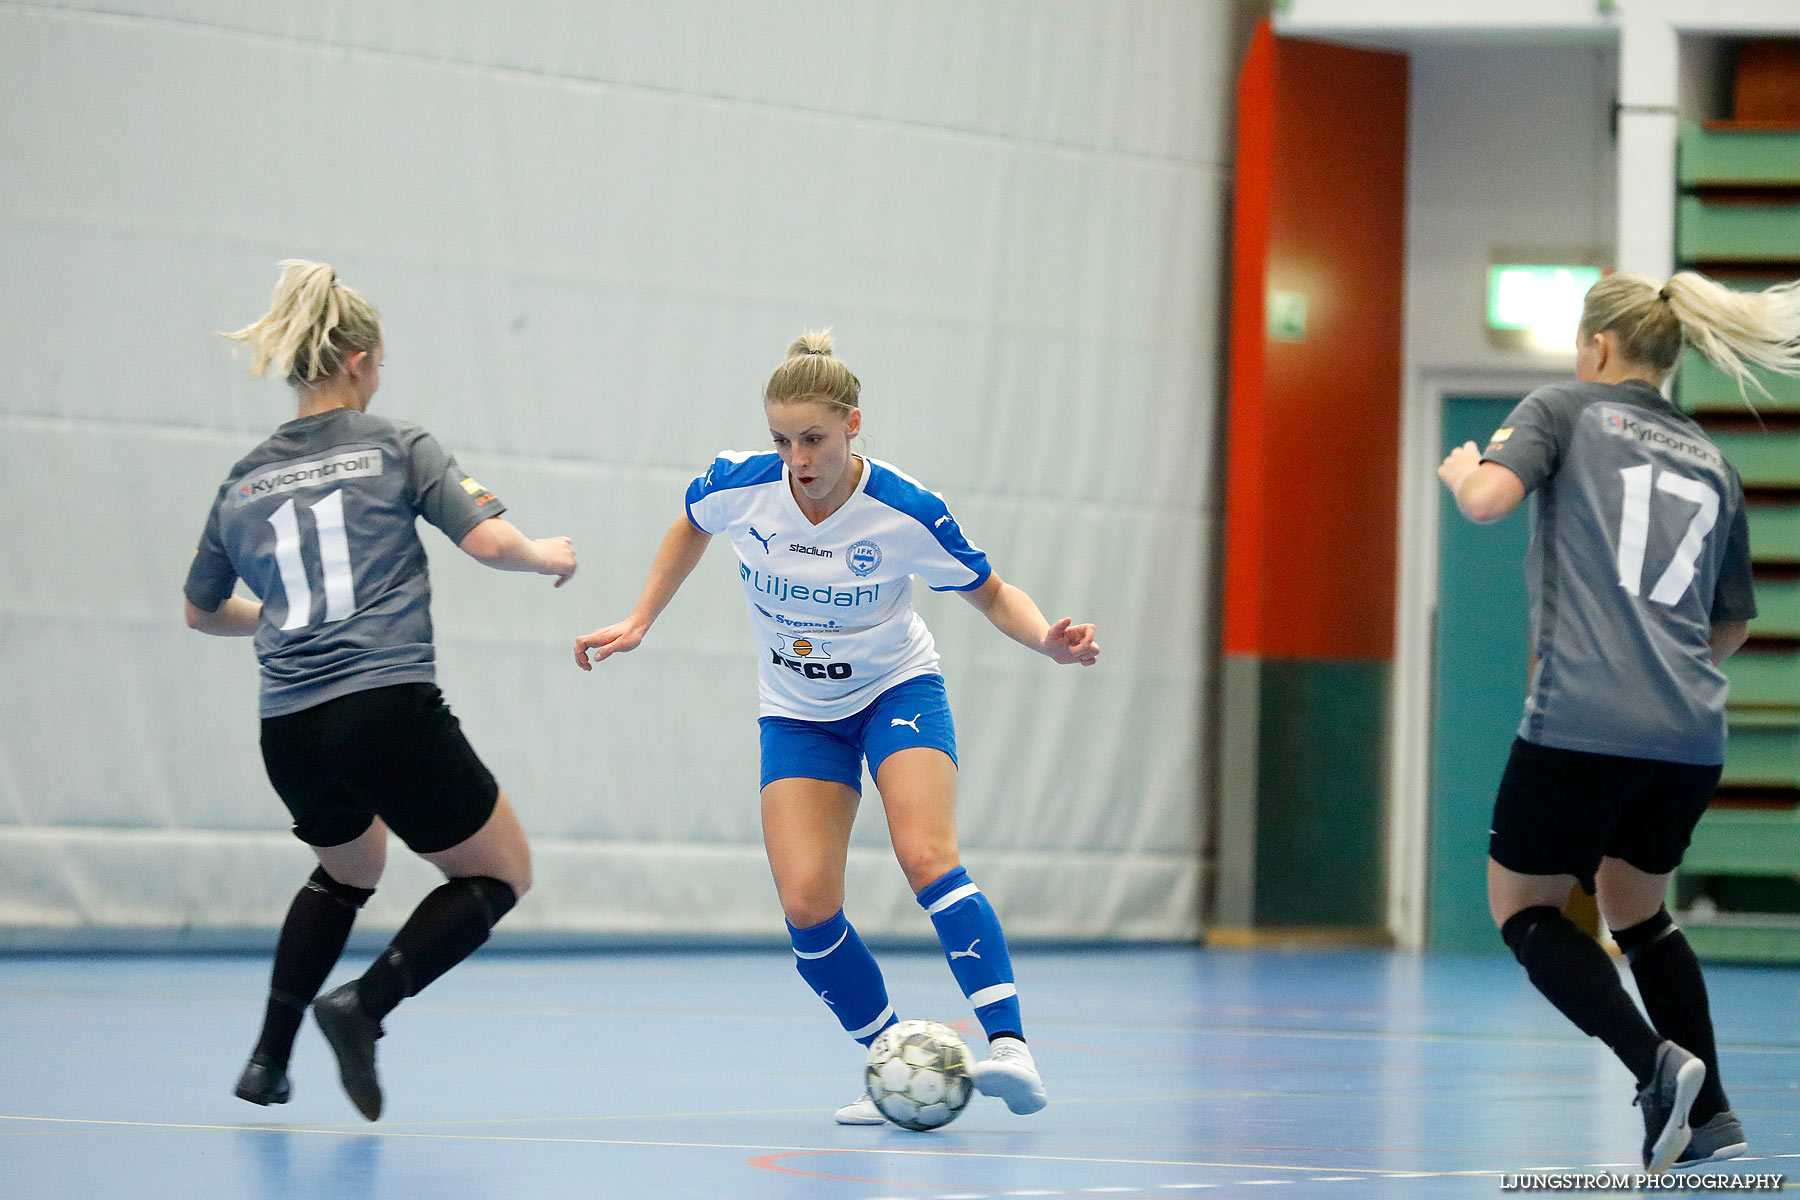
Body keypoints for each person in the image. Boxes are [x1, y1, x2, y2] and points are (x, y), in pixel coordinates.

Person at [573, 331, 1097, 1123]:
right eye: (781, 440)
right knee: (808, 904)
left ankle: (1011, 1049)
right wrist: (642, 617)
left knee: (926, 856)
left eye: (813, 438)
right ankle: (888, 1061)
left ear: (854, 425)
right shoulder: (743, 486)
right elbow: (691, 520)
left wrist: (1045, 641)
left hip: (896, 689)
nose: (797, 458)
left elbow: (990, 591)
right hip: (797, 711)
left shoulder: (904, 510)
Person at [185, 260, 577, 1121]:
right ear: (360, 359)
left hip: (288, 729)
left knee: (347, 867)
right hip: (383, 705)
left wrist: (284, 619)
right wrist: (548, 553)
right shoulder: (397, 444)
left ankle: (266, 1059)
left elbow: (200, 612)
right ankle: (365, 1006)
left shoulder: (242, 481)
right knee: (501, 872)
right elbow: (486, 542)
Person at [1438, 271, 1800, 1171]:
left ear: (1598, 349)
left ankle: (1656, 1066)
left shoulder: (1565, 408)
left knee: (1522, 909)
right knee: (1639, 910)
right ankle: (1710, 1112)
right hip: (1690, 734)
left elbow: (1488, 502)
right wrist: (1665, 679)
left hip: (1583, 716)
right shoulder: (1714, 462)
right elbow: (1734, 623)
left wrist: (1463, 469)